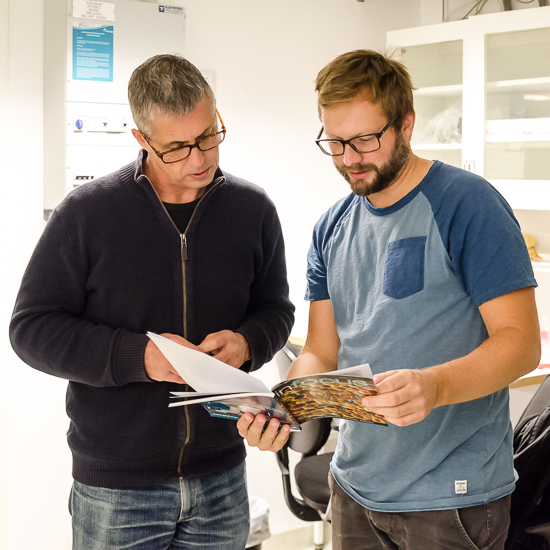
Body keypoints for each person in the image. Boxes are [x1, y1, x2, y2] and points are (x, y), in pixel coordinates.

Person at [237, 49, 541, 550]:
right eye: (334, 142)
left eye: (365, 139)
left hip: (452, 498)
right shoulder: (332, 226)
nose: (349, 158)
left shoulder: (468, 204)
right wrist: (281, 409)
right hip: (355, 486)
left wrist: (436, 386)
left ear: (406, 125)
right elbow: (321, 352)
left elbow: (521, 343)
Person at [10, 54, 294, 549]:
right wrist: (137, 357)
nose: (199, 158)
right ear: (141, 139)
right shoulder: (87, 213)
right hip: (117, 488)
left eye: (209, 135)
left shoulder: (253, 210)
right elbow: (31, 329)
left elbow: (276, 310)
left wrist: (247, 342)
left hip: (222, 480)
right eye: (178, 147)